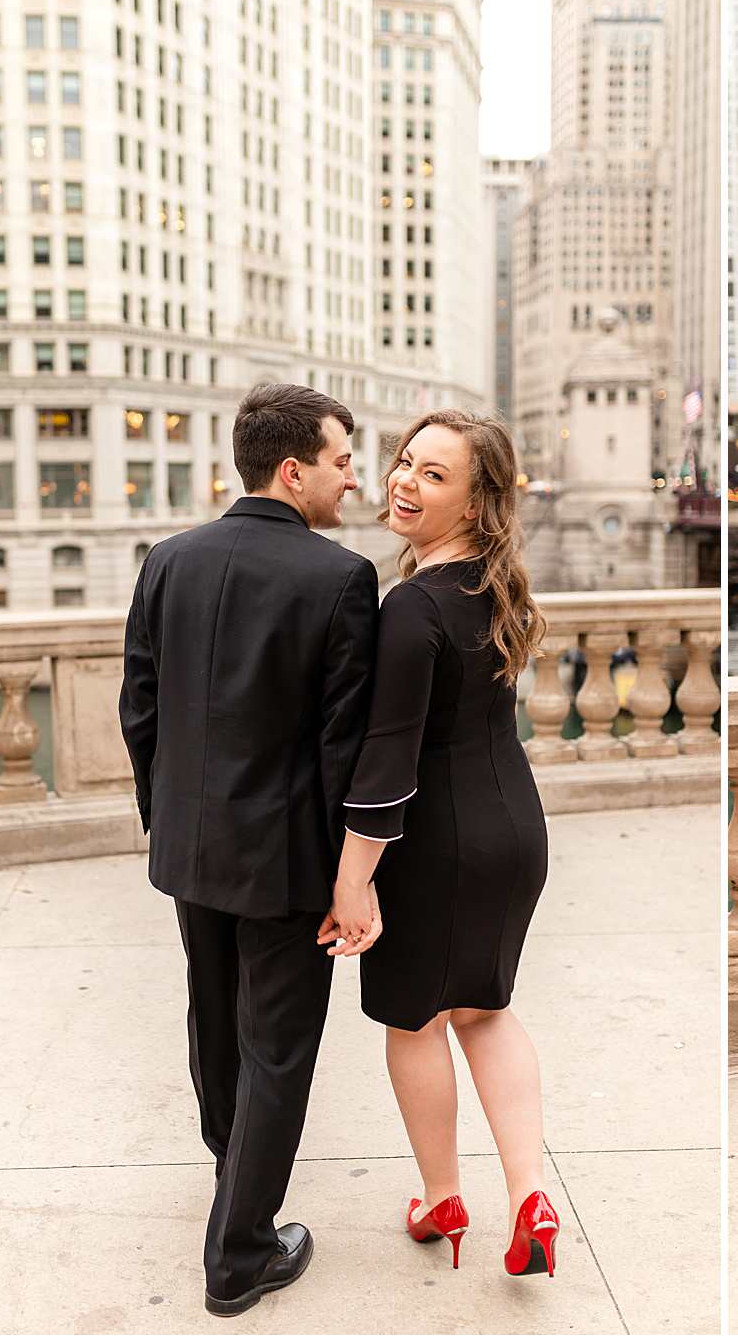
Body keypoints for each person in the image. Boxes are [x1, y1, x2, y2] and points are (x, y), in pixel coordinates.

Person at [119, 383, 378, 1315]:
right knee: (279, 1050)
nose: (356, 477)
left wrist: (170, 820)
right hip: (284, 864)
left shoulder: (168, 561)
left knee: (214, 1020)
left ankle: (235, 1171)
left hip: (191, 849)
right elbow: (341, 747)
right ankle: (239, 1253)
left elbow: (138, 706)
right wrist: (348, 873)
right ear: (293, 467)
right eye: (343, 460)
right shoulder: (342, 578)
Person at [321, 408, 559, 1278]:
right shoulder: (494, 588)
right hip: (514, 831)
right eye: (403, 463)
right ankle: (532, 1196)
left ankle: (442, 1197)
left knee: (415, 1020)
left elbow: (386, 768)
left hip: (435, 845)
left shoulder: (411, 607)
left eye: (432, 475)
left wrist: (353, 883)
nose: (402, 482)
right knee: (486, 1011)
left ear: (477, 501)